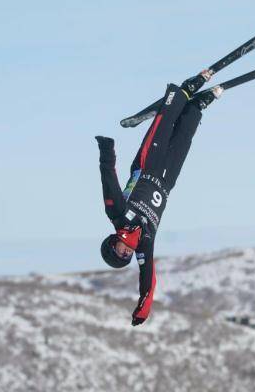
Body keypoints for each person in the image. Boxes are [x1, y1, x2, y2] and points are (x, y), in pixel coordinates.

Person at [95, 73, 222, 326]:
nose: (127, 253)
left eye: (121, 252)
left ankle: (187, 89)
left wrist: (106, 151)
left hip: (147, 166)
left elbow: (108, 181)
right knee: (184, 137)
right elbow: (148, 281)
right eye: (126, 257)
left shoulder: (118, 216)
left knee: (163, 125)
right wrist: (142, 308)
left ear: (114, 243)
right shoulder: (144, 244)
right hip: (166, 181)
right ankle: (197, 106)